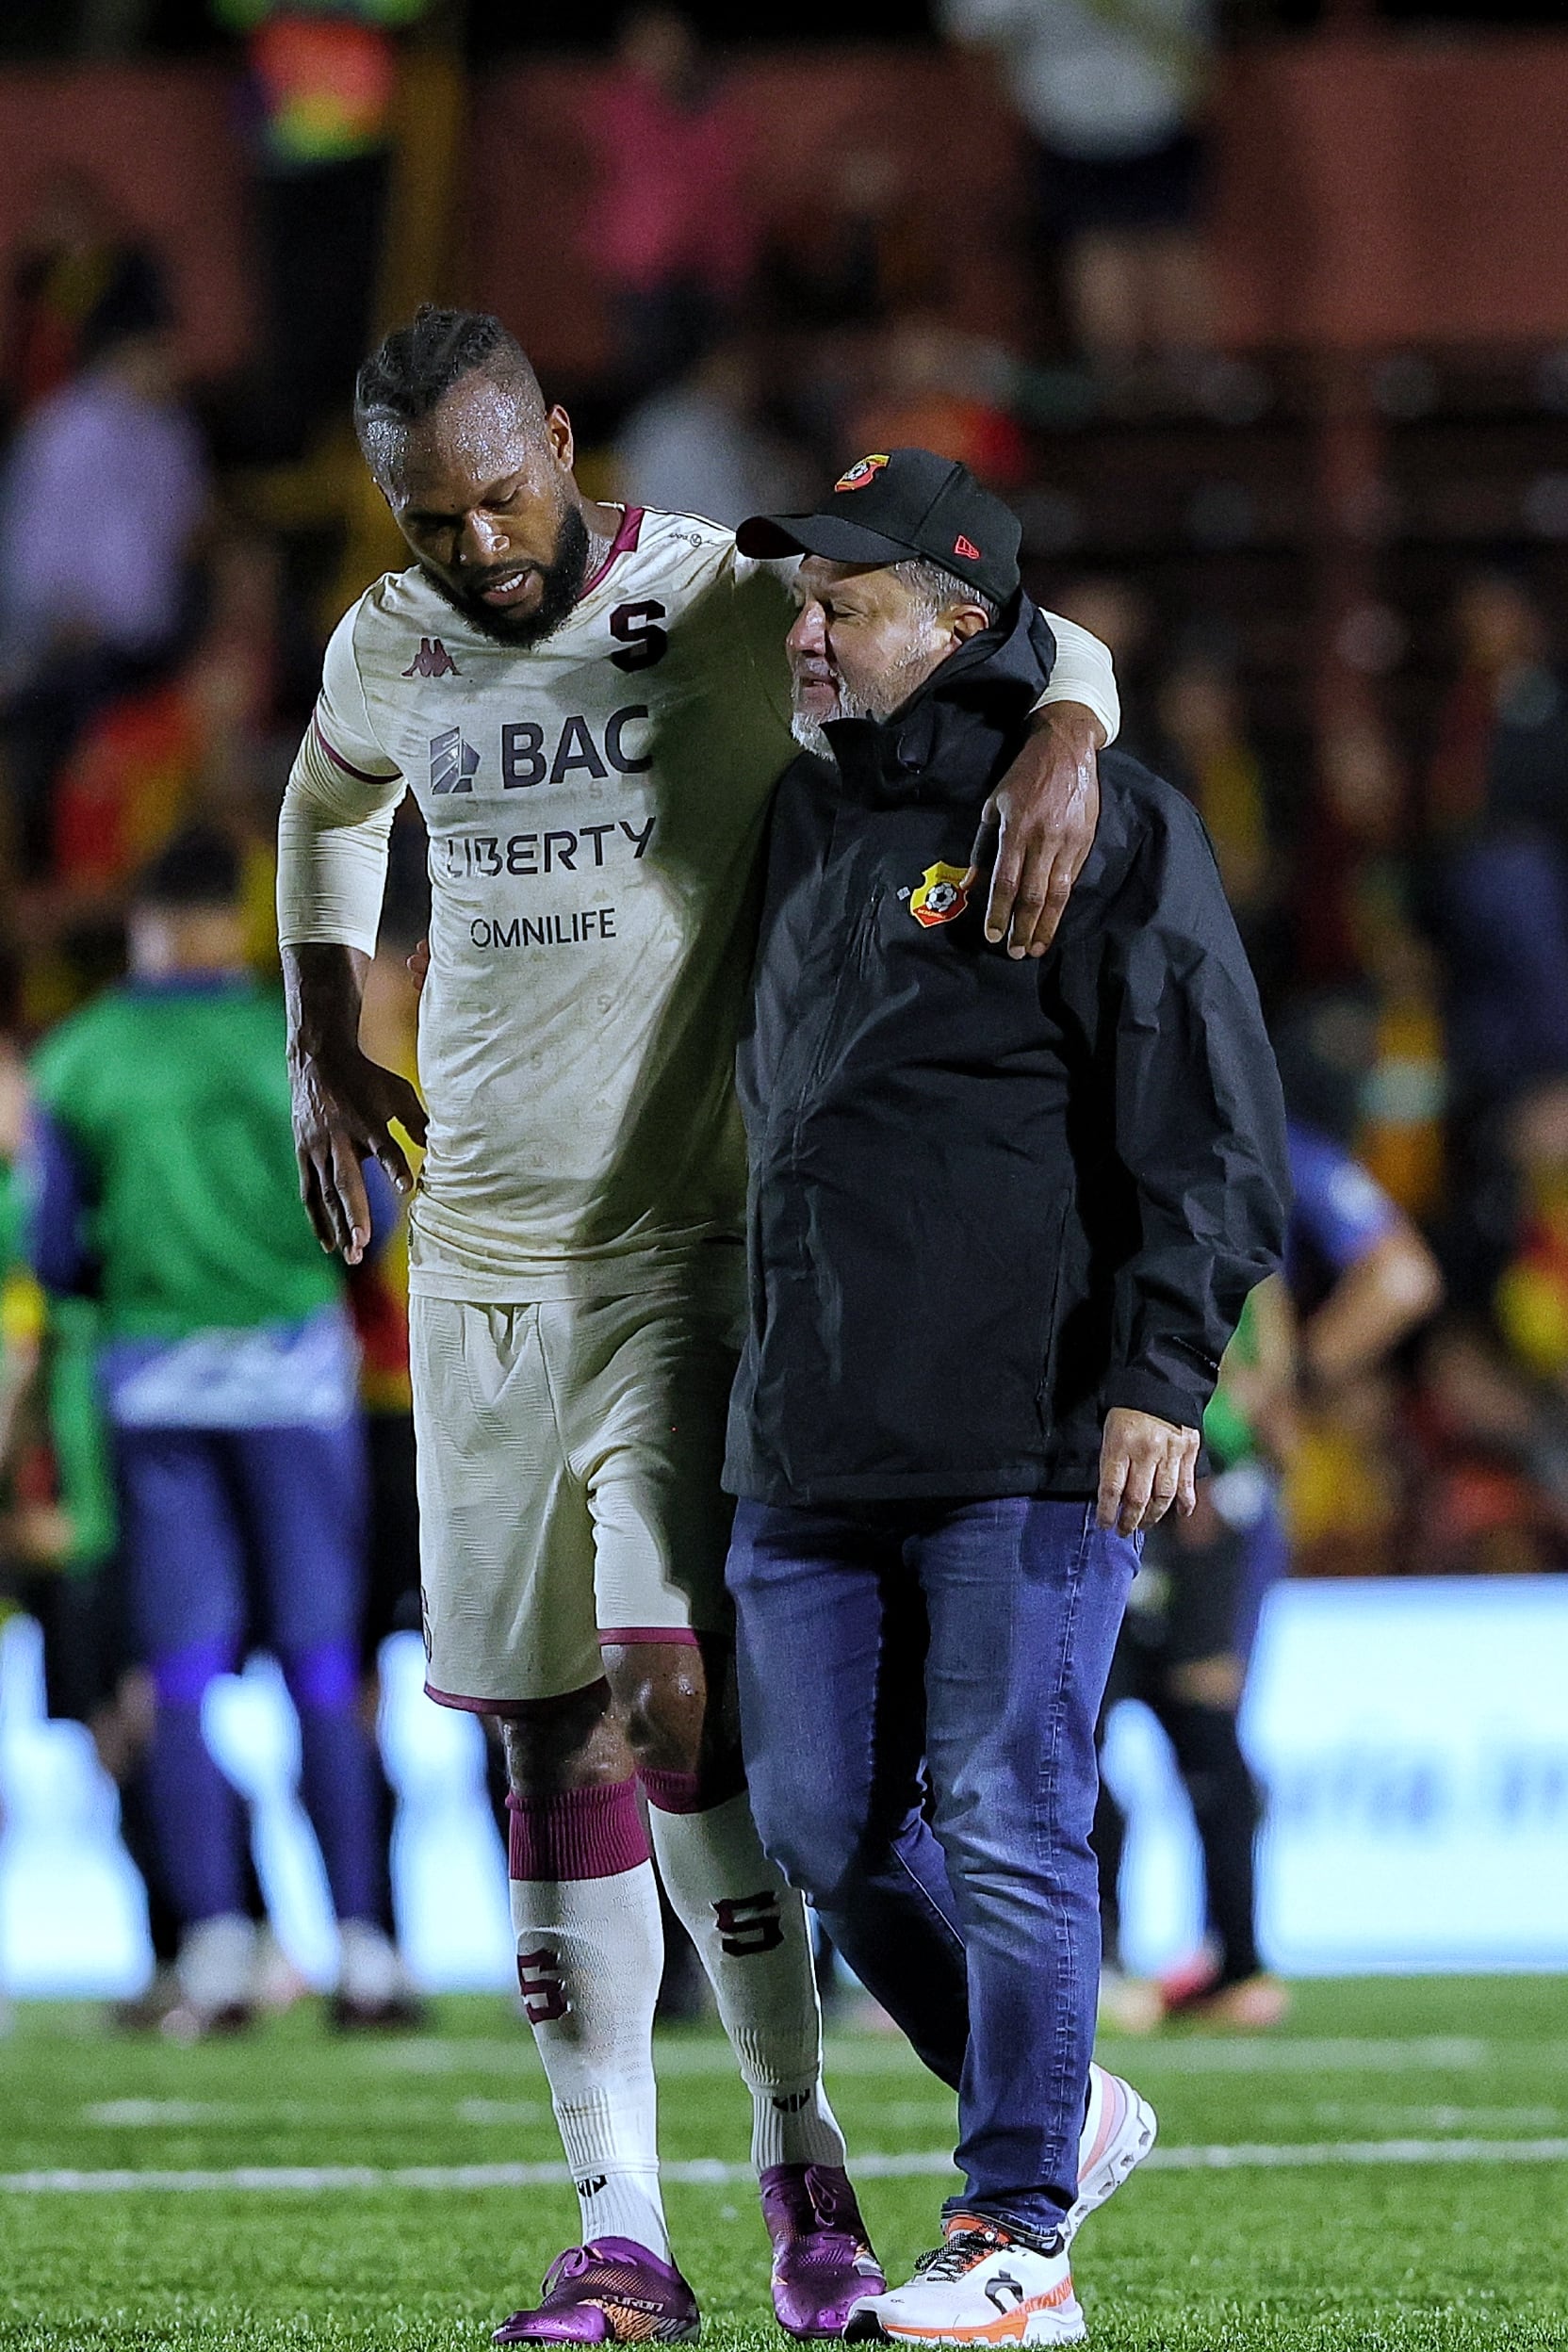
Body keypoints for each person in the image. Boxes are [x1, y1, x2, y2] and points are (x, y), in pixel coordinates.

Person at [274, 304, 1120, 2343]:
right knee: (544, 1734)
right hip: (477, 1266)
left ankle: (799, 2159)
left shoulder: (721, 596)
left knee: (676, 1700)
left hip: (690, 1241)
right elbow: (325, 806)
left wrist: (1068, 737)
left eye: (501, 496)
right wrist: (318, 1025)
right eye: (431, 518)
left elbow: (1037, 638)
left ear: (562, 440)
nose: (479, 546)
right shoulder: (390, 645)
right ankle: (622, 2231)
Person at [722, 449, 1289, 2344]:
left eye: (844, 603)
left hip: (1024, 1424)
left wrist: (1158, 1374)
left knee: (1008, 1807)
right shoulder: (797, 812)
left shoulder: (1105, 820)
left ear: (959, 620)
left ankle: (1016, 2231)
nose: (803, 633)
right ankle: (1064, 2104)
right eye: (800, 602)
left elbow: (1210, 1122)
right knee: (820, 1826)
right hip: (808, 1419)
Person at [30, 825, 406, 2033]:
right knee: (321, 1667)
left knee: (182, 1677)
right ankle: (364, 1950)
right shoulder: (290, 1045)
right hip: (295, 1390)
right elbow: (374, 1216)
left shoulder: (81, 1055)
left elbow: (54, 1250)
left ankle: (217, 1949)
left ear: (148, 925)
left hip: (156, 1396)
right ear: (229, 922)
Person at [1095, 1119, 1442, 2030]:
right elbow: (1383, 1279)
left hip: (1172, 1470)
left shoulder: (1125, 1135)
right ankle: (1220, 1961)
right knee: (1174, 1721)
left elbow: (1394, 1278)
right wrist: (1289, 1391)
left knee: (1099, 1723)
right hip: (1198, 1471)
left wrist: (1281, 1394)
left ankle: (1134, 1959)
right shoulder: (1254, 1146)